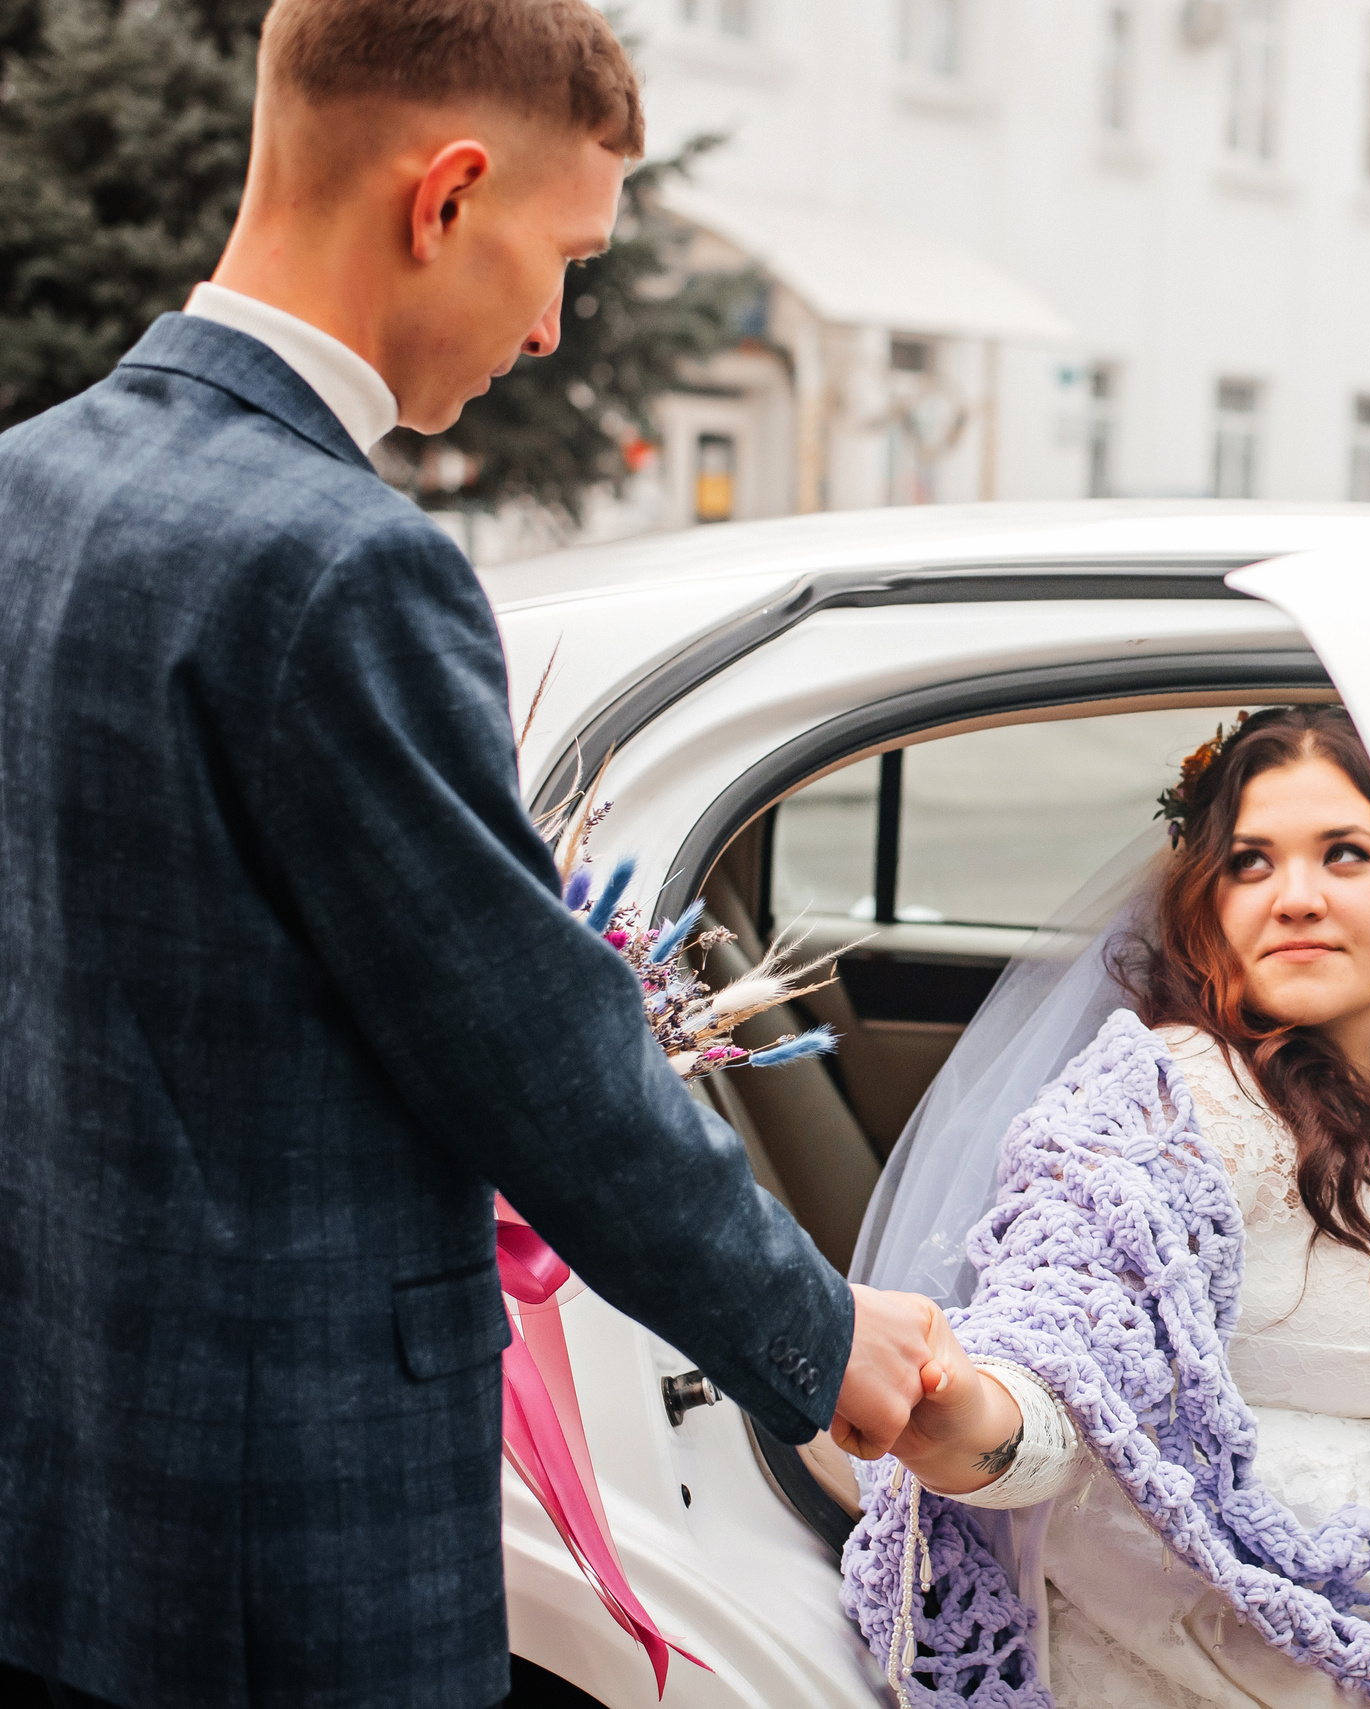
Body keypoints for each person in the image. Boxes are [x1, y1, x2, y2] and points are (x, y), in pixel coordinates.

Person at [0, 4, 942, 1707]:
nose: (550, 326)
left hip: (58, 1488)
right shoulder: (342, 565)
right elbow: (539, 1054)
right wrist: (820, 1339)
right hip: (282, 1541)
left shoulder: (23, 490)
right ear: (445, 195)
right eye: (561, 254)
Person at [841, 707, 1370, 1708]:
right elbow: (1056, 1347)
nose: (1295, 896)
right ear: (1206, 903)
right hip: (1264, 1641)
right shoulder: (1175, 1097)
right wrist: (959, 1411)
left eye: (1344, 854)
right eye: (1252, 862)